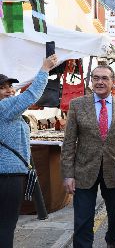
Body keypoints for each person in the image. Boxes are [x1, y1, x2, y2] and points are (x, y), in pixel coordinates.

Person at [61, 65, 115, 248]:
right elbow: (69, 141)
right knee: (82, 219)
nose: (100, 82)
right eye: (96, 78)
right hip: (84, 169)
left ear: (112, 82)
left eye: (104, 78)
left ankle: (112, 241)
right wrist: (68, 174)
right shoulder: (77, 105)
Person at [0, 55, 57, 248]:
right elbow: (31, 95)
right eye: (2, 87)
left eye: (10, 86)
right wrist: (44, 69)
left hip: (9, 174)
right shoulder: (3, 108)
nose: (9, 90)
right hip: (7, 175)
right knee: (6, 225)